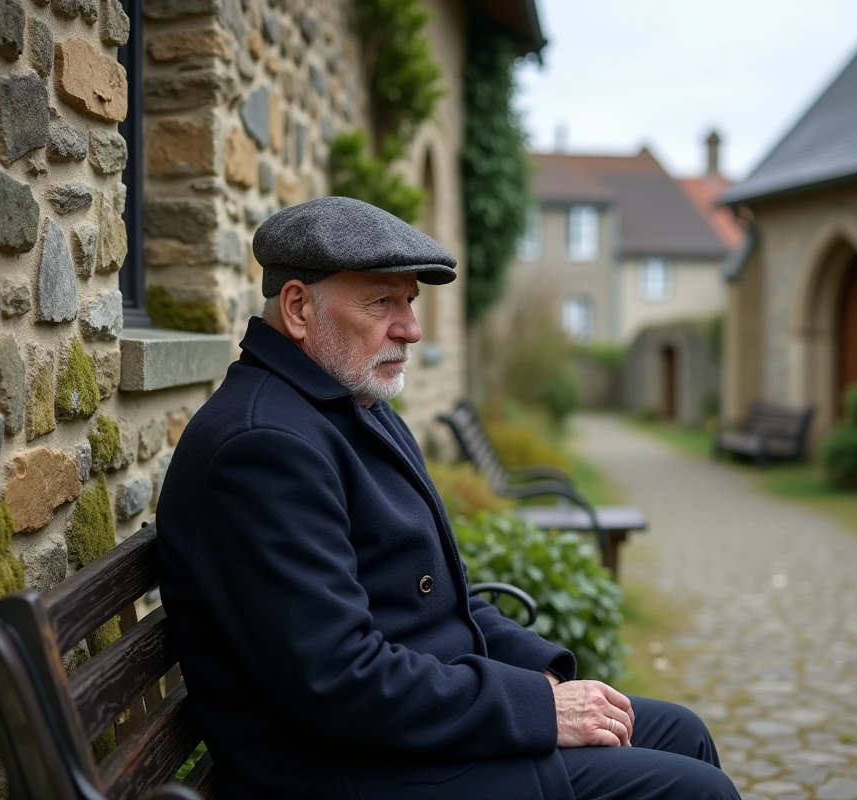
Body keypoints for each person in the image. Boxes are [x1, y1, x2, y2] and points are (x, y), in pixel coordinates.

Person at [155, 197, 741, 800]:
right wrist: (539, 708)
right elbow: (339, 681)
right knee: (694, 791)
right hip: (351, 773)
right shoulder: (263, 447)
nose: (411, 328)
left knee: (682, 733)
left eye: (409, 301)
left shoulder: (350, 409)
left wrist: (535, 670)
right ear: (299, 307)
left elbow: (445, 600)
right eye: (383, 301)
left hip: (413, 736)